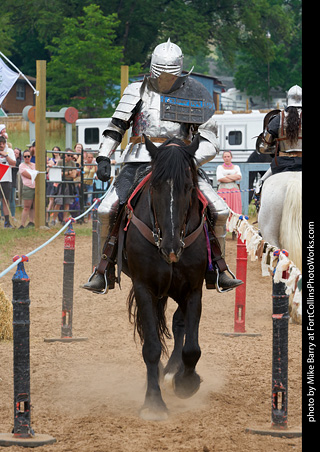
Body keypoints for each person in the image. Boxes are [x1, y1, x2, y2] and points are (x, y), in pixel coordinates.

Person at [83, 39, 242, 294]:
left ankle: (218, 268)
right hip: (138, 161)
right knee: (107, 209)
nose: (166, 78)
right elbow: (115, 128)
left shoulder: (195, 93)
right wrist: (103, 156)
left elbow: (210, 139)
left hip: (181, 165)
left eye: (171, 73)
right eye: (162, 72)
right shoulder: (136, 91)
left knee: (219, 210)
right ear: (153, 68)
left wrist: (186, 161)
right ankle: (103, 269)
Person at [255, 85, 302, 204]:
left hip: (282, 163)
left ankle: (258, 201)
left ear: (287, 100)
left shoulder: (278, 119)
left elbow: (264, 147)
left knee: (260, 184)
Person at [52, 149, 77, 224]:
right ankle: (53, 220)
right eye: (68, 155)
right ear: (65, 155)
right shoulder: (60, 162)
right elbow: (58, 173)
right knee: (58, 202)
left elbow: (74, 175)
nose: (70, 157)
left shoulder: (73, 163)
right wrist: (69, 172)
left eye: (71, 156)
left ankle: (64, 220)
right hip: (61, 184)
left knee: (67, 203)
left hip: (69, 184)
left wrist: (64, 173)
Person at [0, 136, 16, 228]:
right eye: (0, 144)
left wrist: (5, 156)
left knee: (5, 200)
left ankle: (7, 222)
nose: (1, 145)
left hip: (6, 179)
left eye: (3, 144)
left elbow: (13, 164)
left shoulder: (9, 151)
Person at [18, 149, 36, 228]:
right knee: (26, 207)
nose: (27, 158)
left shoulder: (34, 165)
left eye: (28, 156)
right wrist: (35, 175)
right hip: (28, 187)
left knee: (33, 207)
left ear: (31, 156)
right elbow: (28, 175)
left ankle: (31, 222)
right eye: (25, 156)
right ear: (23, 157)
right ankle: (22, 224)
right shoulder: (22, 166)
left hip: (35, 187)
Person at [46, 146, 61, 224]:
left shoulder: (61, 160)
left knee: (58, 201)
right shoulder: (50, 160)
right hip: (52, 181)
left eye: (57, 150)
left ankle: (54, 218)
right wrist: (50, 166)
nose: (55, 152)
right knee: (51, 199)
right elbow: (47, 170)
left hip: (59, 181)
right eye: (54, 150)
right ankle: (48, 214)